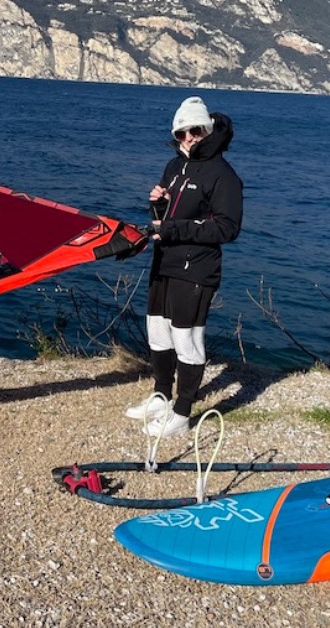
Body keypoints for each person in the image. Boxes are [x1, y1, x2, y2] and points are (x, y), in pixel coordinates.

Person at [125, 96, 243, 436]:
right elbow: (165, 219)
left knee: (186, 338)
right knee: (158, 331)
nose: (189, 138)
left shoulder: (224, 175)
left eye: (196, 130)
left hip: (197, 268)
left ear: (208, 129)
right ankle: (161, 396)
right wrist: (157, 207)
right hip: (165, 261)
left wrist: (172, 228)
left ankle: (182, 413)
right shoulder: (174, 166)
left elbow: (227, 228)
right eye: (182, 133)